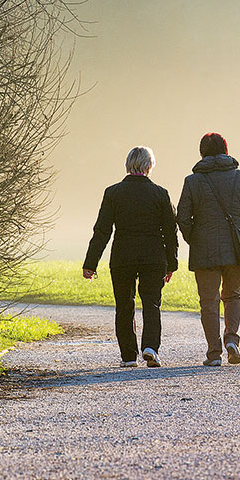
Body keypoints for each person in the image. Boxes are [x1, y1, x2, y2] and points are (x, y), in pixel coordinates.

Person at [177, 133, 240, 366]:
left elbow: (182, 218)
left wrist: (195, 239)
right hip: (235, 249)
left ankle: (214, 353)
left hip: (204, 250)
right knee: (233, 295)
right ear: (226, 151)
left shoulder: (192, 181)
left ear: (202, 153)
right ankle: (231, 340)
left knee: (209, 302)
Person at [83, 146, 178, 368]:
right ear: (149, 166)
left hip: (122, 256)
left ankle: (128, 356)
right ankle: (150, 348)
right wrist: (171, 263)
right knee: (151, 303)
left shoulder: (113, 193)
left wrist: (90, 263)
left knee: (124, 305)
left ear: (128, 165)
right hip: (153, 257)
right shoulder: (161, 194)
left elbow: (102, 230)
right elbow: (170, 232)